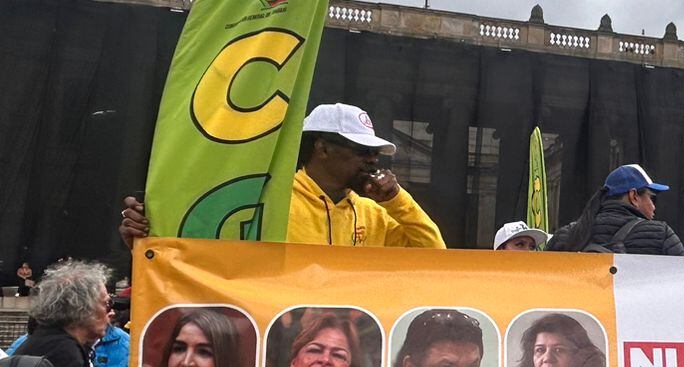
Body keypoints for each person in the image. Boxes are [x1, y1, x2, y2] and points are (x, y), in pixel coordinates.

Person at [118, 103, 444, 249]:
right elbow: (202, 249)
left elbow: (433, 253)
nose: (372, 160)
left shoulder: (373, 213)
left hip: (349, 352)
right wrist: (147, 236)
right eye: (362, 150)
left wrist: (396, 200)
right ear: (323, 148)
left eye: (374, 152)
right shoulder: (268, 197)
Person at [545, 164, 684, 255]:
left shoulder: (566, 235)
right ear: (634, 196)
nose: (654, 206)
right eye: (652, 198)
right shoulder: (661, 235)